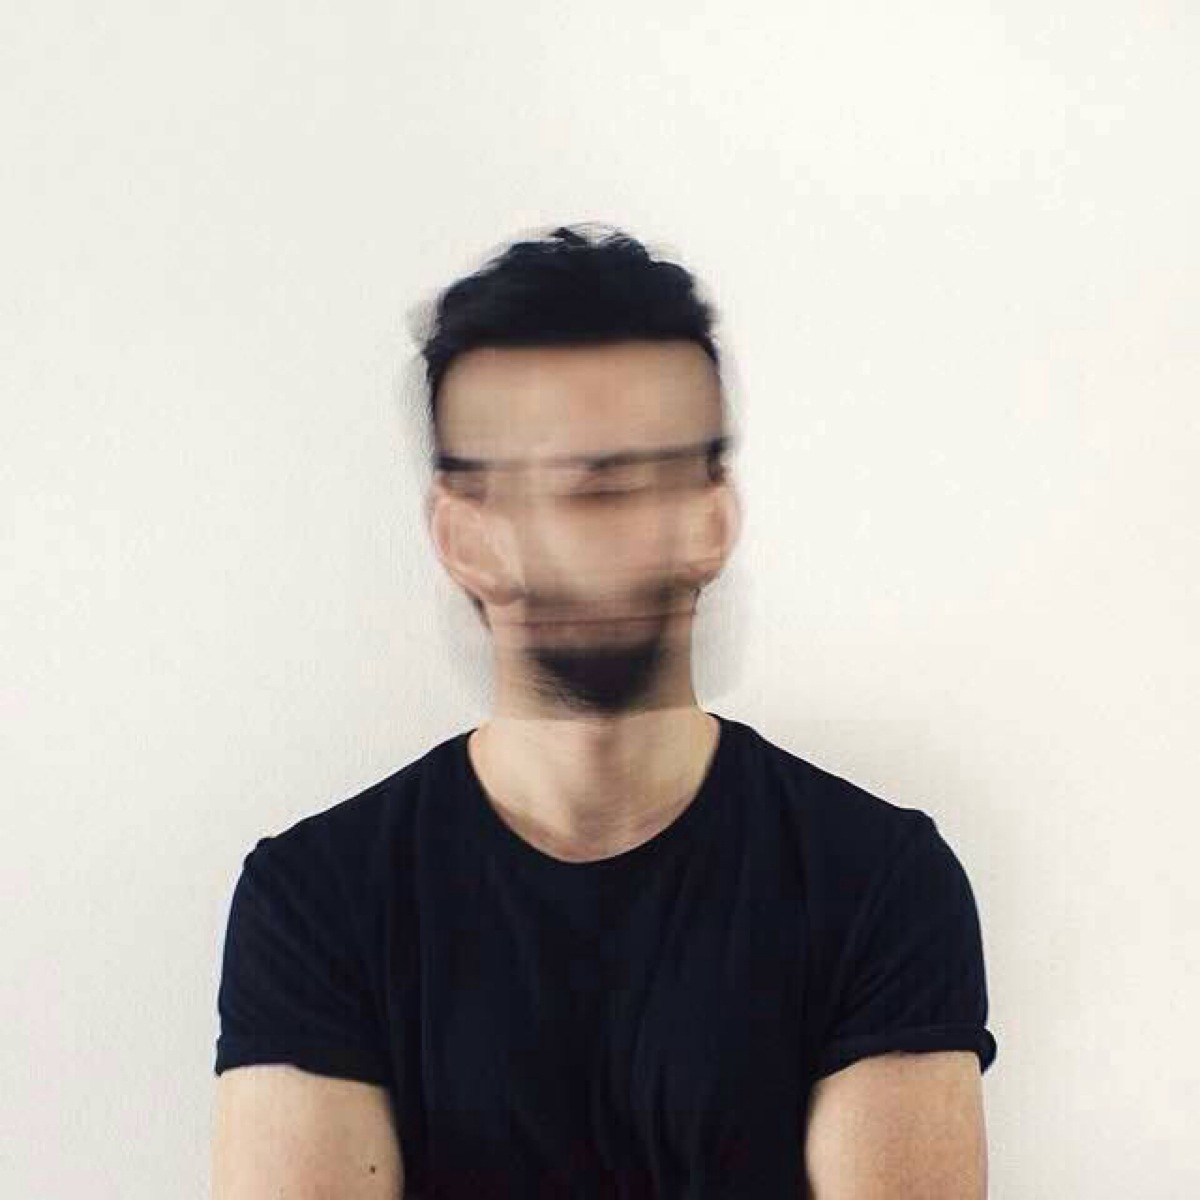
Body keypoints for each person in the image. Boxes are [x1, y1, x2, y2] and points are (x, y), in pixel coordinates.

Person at [210, 223, 997, 1199]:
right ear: (466, 537)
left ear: (715, 517)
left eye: (668, 478)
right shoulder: (317, 901)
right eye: (593, 489)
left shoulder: (877, 880)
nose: (643, 526)